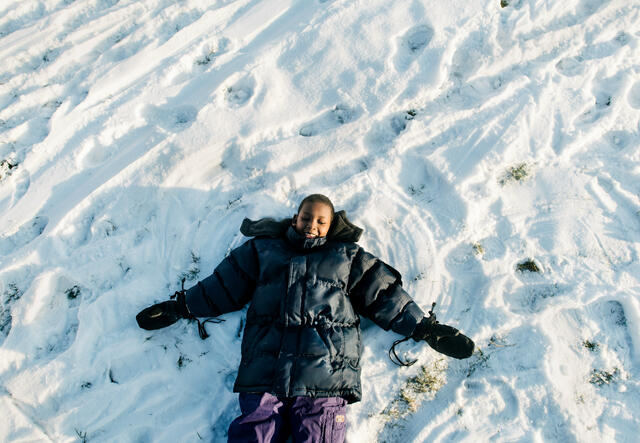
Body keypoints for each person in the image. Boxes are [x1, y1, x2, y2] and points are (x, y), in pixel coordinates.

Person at [136, 194, 474, 443]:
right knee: (255, 429)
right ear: (295, 219)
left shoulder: (346, 256)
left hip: (325, 371)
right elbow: (224, 284)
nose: (311, 225)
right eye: (306, 218)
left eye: (320, 221)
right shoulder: (263, 251)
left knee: (319, 433)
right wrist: (180, 307)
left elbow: (382, 294)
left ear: (331, 226)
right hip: (267, 367)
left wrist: (425, 328)